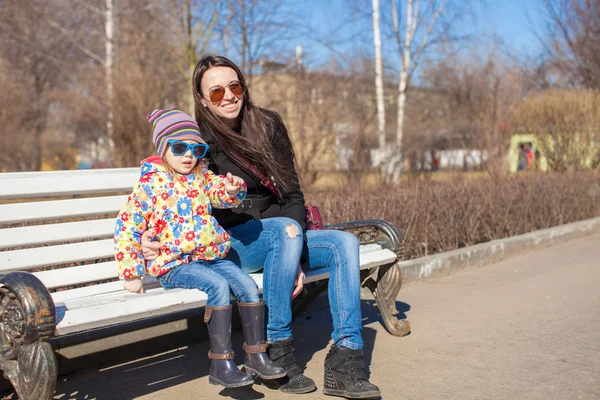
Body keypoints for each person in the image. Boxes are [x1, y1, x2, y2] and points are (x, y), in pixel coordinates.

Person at [142, 55, 381, 399]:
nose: (228, 96)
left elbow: (291, 192)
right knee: (284, 229)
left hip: (285, 235)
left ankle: (346, 361)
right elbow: (168, 188)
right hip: (230, 245)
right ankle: (276, 347)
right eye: (216, 91)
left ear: (244, 87)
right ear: (202, 98)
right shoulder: (197, 137)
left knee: (343, 243)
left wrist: (295, 255)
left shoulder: (267, 124)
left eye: (235, 86)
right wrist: (151, 236)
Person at [113, 107, 286, 388]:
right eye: (179, 147)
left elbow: (221, 194)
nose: (189, 155)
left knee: (247, 285)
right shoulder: (151, 183)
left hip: (211, 257)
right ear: (163, 148)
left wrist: (231, 190)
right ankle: (221, 363)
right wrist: (132, 273)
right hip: (175, 264)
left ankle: (256, 355)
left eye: (197, 149)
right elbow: (127, 226)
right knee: (217, 286)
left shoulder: (202, 176)